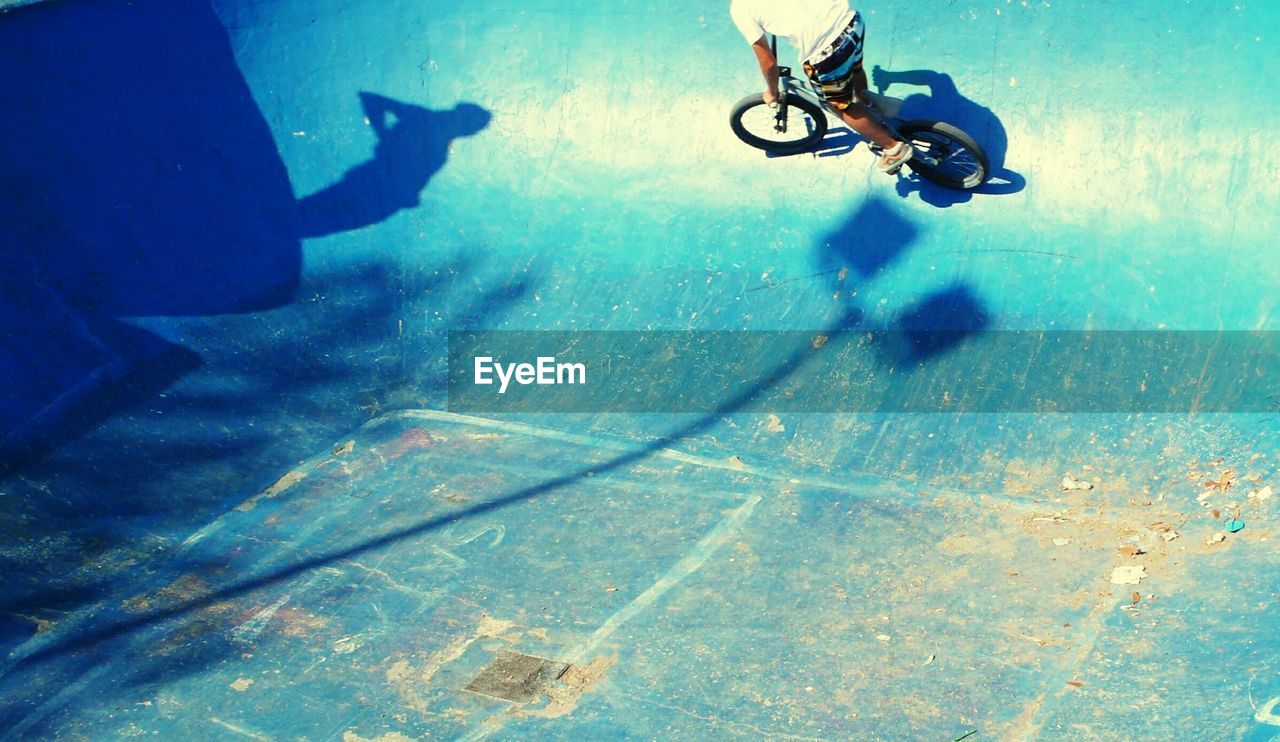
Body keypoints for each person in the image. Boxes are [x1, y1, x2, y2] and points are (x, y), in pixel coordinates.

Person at [730, 0, 913, 173]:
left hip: (827, 52)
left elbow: (769, 64)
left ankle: (892, 147)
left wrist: (772, 90)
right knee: (853, 67)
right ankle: (868, 104)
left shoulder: (741, 8)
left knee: (839, 106)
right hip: (851, 21)